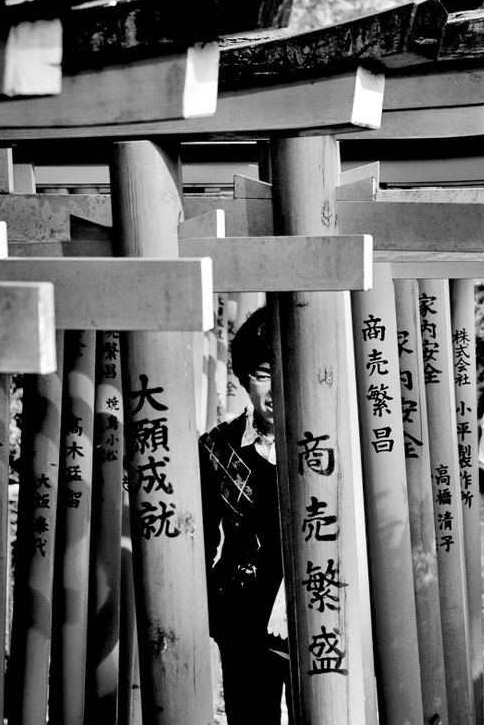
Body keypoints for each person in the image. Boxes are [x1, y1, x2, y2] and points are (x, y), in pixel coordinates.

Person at [198, 306, 289, 724]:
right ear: (243, 378)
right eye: (263, 375)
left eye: (285, 371)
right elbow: (201, 539)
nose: (275, 389)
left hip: (316, 599)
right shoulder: (217, 447)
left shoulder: (334, 442)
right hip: (244, 614)